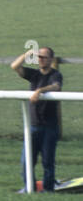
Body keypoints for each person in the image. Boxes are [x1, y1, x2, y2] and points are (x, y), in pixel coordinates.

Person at [11, 46, 63, 192]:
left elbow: (56, 86)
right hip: (33, 125)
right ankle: (30, 188)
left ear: (51, 60)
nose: (40, 60)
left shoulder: (55, 74)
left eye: (44, 57)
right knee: (25, 162)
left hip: (49, 127)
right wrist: (27, 54)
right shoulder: (34, 74)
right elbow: (15, 66)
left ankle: (48, 191)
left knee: (48, 162)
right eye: (39, 57)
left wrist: (39, 91)